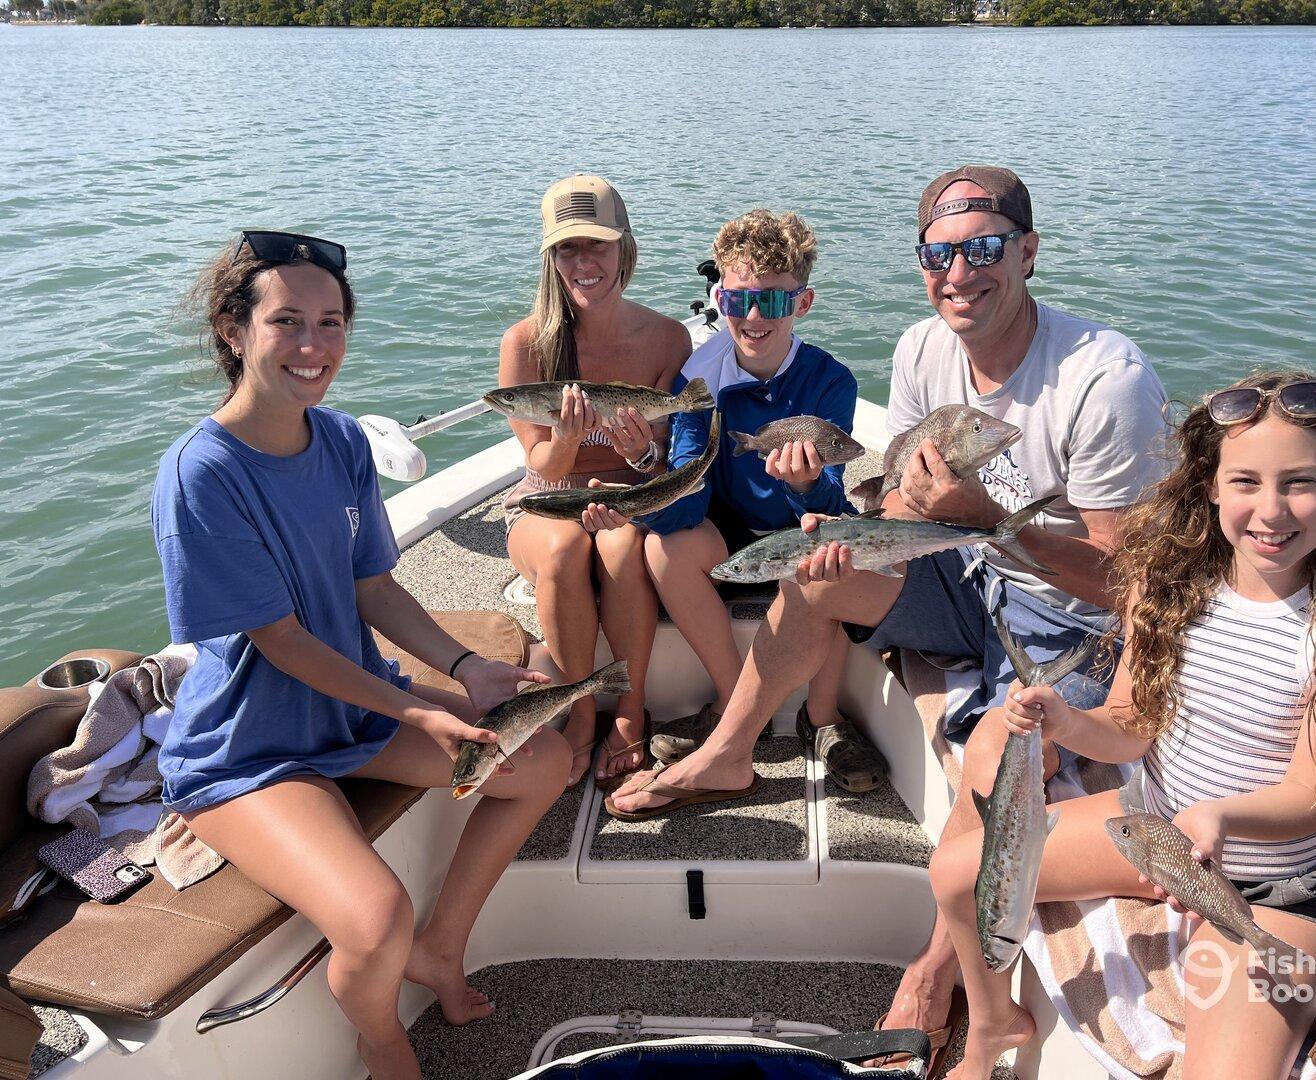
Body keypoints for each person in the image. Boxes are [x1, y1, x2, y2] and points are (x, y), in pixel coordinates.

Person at [607, 165, 1168, 1064]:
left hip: (1072, 621)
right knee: (816, 575)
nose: (960, 271)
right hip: (962, 571)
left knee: (997, 752)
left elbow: (1135, 583)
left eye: (983, 248)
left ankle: (937, 969)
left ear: (1027, 252)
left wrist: (998, 524)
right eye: (938, 253)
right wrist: (856, 532)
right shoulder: (921, 350)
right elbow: (908, 508)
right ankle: (727, 754)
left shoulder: (1103, 380)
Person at [152, 232, 570, 1080]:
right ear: (234, 331)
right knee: (376, 918)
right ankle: (380, 1038)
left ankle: (442, 950)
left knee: (545, 757)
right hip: (250, 750)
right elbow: (282, 642)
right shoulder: (202, 473)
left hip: (352, 709)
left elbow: (373, 589)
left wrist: (463, 671)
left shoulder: (340, 442)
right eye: (289, 322)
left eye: (332, 323)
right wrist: (418, 709)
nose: (315, 347)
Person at [930, 371, 1316, 1079]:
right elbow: (1131, 727)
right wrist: (1065, 720)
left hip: (1276, 886)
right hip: (1151, 828)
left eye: (1299, 483)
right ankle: (994, 1022)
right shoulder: (1176, 592)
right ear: (1212, 486)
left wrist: (1217, 818)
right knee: (953, 872)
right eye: (1246, 481)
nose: (1272, 510)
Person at [589, 208, 883, 794]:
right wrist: (647, 471)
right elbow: (685, 508)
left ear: (803, 303)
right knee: (666, 550)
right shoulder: (700, 381)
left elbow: (830, 496)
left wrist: (804, 485)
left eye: (773, 301)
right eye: (737, 300)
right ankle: (731, 700)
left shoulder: (832, 381)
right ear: (718, 298)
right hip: (731, 532)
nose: (753, 317)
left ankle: (822, 719)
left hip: (802, 526)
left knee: (823, 553)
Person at [498, 175, 693, 790]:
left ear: (625, 249)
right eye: (566, 249)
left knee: (622, 546)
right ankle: (581, 710)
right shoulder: (527, 344)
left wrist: (640, 454)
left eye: (597, 246)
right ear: (550, 258)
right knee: (561, 551)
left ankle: (631, 709)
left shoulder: (668, 338)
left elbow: (666, 462)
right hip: (547, 501)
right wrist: (571, 437)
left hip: (629, 498)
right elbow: (543, 467)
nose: (583, 263)